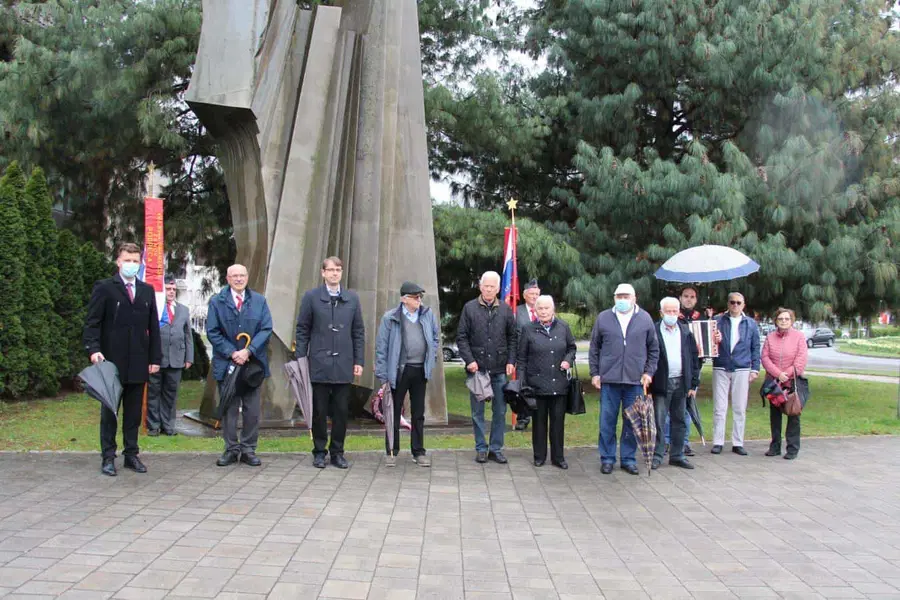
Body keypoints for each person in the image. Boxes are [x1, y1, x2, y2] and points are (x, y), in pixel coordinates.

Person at [83, 242, 162, 476]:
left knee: (134, 413)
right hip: (111, 362)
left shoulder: (146, 290)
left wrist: (155, 357)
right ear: (118, 261)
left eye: (135, 261)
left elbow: (153, 328)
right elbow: (92, 323)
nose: (131, 265)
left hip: (138, 361)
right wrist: (93, 349)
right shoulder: (105, 288)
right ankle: (108, 457)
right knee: (110, 413)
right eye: (127, 260)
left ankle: (131, 454)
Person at [295, 256, 365, 469]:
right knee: (319, 411)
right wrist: (300, 359)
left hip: (343, 364)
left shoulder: (352, 299)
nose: (335, 273)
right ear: (323, 273)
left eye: (338, 269)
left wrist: (358, 360)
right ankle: (319, 451)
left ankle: (338, 452)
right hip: (319, 363)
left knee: (341, 412)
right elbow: (302, 330)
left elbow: (358, 332)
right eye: (331, 270)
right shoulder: (311, 297)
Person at [589, 283, 659, 475]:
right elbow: (594, 348)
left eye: (626, 296)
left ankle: (628, 459)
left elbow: (653, 349)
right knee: (607, 421)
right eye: (619, 296)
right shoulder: (603, 318)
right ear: (614, 298)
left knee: (632, 421)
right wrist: (595, 373)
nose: (622, 300)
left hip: (635, 381)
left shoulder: (645, 319)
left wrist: (648, 372)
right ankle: (607, 458)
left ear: (634, 298)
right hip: (609, 380)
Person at [207, 264, 273, 467]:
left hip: (252, 366)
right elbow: (212, 331)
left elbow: (266, 329)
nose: (238, 279)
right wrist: (232, 352)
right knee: (230, 409)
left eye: (242, 275)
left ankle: (248, 449)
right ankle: (231, 449)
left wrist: (248, 350)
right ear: (227, 278)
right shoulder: (217, 302)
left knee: (252, 410)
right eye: (234, 276)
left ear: (247, 277)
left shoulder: (259, 301)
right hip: (227, 364)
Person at [374, 281, 440, 467]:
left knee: (418, 413)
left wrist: (431, 356)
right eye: (415, 297)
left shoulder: (427, 315)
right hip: (398, 371)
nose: (419, 300)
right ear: (404, 299)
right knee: (392, 411)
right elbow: (382, 348)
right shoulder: (391, 318)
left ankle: (418, 451)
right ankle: (391, 451)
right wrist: (383, 376)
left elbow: (435, 338)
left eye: (420, 297)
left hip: (420, 370)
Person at [456, 271, 517, 464]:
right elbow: (462, 337)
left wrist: (510, 361)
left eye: (492, 286)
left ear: (498, 289)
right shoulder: (469, 308)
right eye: (486, 285)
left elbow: (513, 338)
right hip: (477, 369)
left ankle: (496, 449)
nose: (489, 289)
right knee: (477, 412)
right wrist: (469, 360)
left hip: (499, 369)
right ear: (480, 287)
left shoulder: (506, 310)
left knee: (500, 412)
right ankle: (481, 448)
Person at [516, 295, 576, 469]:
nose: (543, 311)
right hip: (536, 385)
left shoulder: (563, 327)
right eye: (540, 308)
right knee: (539, 424)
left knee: (557, 424)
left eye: (546, 308)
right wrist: (522, 382)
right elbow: (522, 357)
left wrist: (568, 360)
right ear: (535, 310)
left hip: (559, 384)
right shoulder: (528, 329)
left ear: (553, 309)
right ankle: (539, 456)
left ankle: (558, 457)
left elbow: (572, 347)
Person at [651, 297, 700, 470]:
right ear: (661, 312)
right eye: (668, 311)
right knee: (659, 420)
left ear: (678, 312)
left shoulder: (686, 332)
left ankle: (677, 455)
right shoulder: (654, 331)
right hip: (661, 383)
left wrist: (693, 384)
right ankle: (657, 455)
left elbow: (694, 359)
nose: (671, 314)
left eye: (674, 311)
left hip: (682, 383)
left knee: (679, 420)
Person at [711, 292, 760, 456]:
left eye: (739, 303)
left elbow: (755, 348)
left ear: (743, 305)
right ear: (728, 303)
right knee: (720, 407)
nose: (735, 305)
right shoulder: (717, 321)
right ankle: (718, 441)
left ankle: (737, 442)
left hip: (742, 367)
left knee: (739, 407)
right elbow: (707, 344)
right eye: (732, 302)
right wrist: (714, 339)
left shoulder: (750, 324)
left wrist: (755, 369)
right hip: (721, 366)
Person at [147, 275, 193, 437]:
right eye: (168, 289)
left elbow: (188, 335)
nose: (171, 292)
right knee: (154, 393)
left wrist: (189, 357)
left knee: (171, 394)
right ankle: (153, 426)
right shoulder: (155, 308)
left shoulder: (183, 310)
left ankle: (168, 425)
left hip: (177, 359)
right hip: (157, 359)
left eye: (174, 289)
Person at [761, 308, 808, 460]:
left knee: (793, 414)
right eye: (780, 319)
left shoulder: (799, 337)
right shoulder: (770, 337)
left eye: (787, 319)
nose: (783, 321)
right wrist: (777, 374)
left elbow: (800, 360)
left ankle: (792, 449)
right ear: (776, 320)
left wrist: (786, 374)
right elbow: (765, 357)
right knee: (774, 416)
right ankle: (775, 447)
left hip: (792, 381)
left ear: (791, 321)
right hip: (774, 382)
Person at [513, 279, 541, 431]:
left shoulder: (545, 310)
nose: (535, 297)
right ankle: (523, 418)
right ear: (524, 295)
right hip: (522, 357)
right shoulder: (517, 312)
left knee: (539, 387)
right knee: (523, 387)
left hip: (541, 358)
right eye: (532, 294)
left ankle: (538, 416)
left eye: (537, 294)